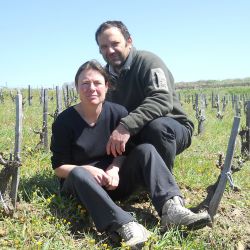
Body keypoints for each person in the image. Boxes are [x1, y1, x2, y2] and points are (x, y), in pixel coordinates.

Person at [50, 60, 211, 249]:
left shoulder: (118, 112)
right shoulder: (64, 121)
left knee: (146, 150)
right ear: (77, 87)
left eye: (97, 83)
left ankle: (172, 209)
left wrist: (115, 169)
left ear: (107, 86)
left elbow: (126, 151)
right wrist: (86, 170)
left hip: (113, 182)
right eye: (85, 83)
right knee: (78, 174)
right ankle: (125, 224)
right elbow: (59, 167)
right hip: (81, 187)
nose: (91, 88)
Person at [95, 21, 194, 173]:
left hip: (171, 127)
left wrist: (126, 126)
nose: (110, 50)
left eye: (115, 43)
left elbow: (161, 99)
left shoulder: (148, 62)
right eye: (104, 47)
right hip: (135, 133)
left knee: (157, 129)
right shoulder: (103, 77)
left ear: (129, 41)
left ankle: (163, 185)